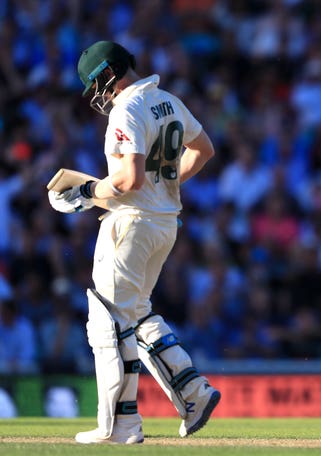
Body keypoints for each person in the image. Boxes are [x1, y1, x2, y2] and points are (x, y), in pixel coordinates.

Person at [47, 41, 219, 444]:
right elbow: (204, 150)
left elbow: (128, 181)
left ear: (109, 73)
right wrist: (166, 188)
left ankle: (120, 424)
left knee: (108, 322)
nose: (98, 96)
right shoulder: (168, 101)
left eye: (96, 85)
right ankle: (193, 392)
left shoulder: (127, 107)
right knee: (137, 314)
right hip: (164, 224)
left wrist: (87, 191)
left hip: (131, 225)